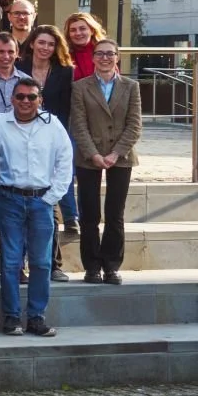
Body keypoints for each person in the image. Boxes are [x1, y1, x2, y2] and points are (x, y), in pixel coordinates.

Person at [71, 39, 141, 285]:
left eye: (110, 54)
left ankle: (111, 266)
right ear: (92, 58)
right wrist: (94, 154)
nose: (105, 58)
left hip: (121, 157)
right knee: (89, 214)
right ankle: (91, 267)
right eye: (99, 54)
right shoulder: (80, 87)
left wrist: (115, 153)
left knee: (115, 213)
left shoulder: (131, 86)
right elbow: (78, 125)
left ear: (117, 57)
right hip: (89, 157)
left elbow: (134, 125)